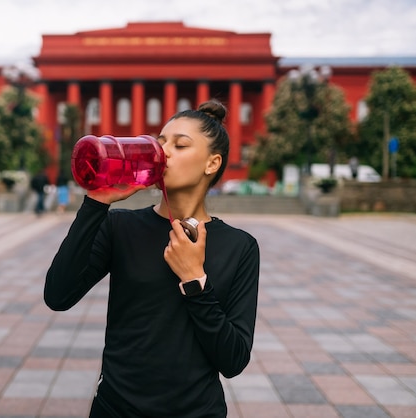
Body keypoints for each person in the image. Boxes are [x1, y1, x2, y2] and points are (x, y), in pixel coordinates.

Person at [44, 99, 260, 417]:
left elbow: (234, 360)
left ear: (212, 164)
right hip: (116, 408)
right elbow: (58, 296)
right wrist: (96, 204)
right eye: (160, 142)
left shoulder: (240, 247)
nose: (163, 151)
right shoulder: (121, 226)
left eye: (180, 145)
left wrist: (194, 281)